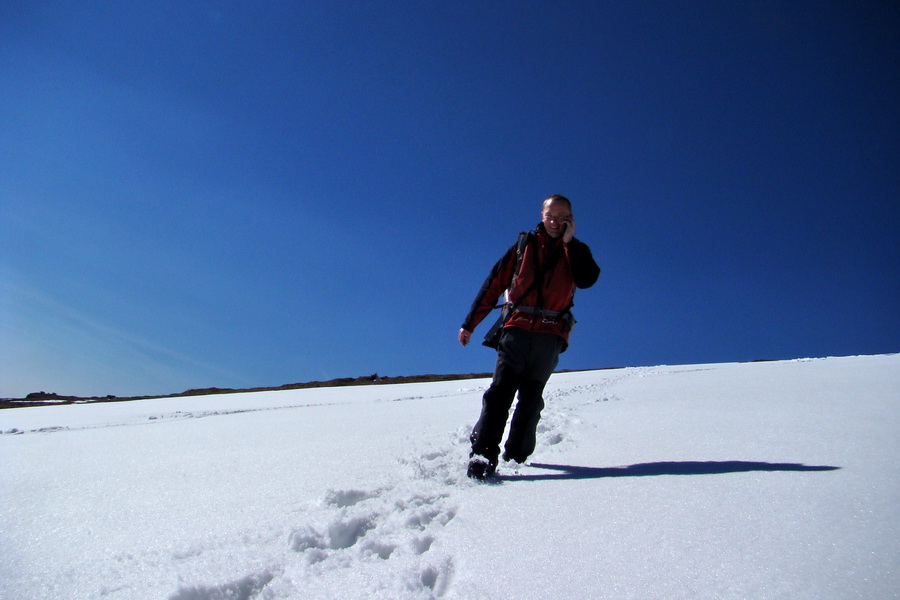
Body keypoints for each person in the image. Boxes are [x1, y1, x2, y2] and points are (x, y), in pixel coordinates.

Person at [458, 194, 600, 480]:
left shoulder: (577, 250)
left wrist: (570, 243)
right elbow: (494, 283)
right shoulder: (524, 246)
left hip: (550, 335)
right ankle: (483, 455)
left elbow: (587, 279)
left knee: (531, 398)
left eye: (562, 217)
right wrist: (469, 324)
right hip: (517, 328)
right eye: (551, 215)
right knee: (500, 392)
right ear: (542, 214)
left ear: (571, 219)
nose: (555, 221)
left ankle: (518, 453)